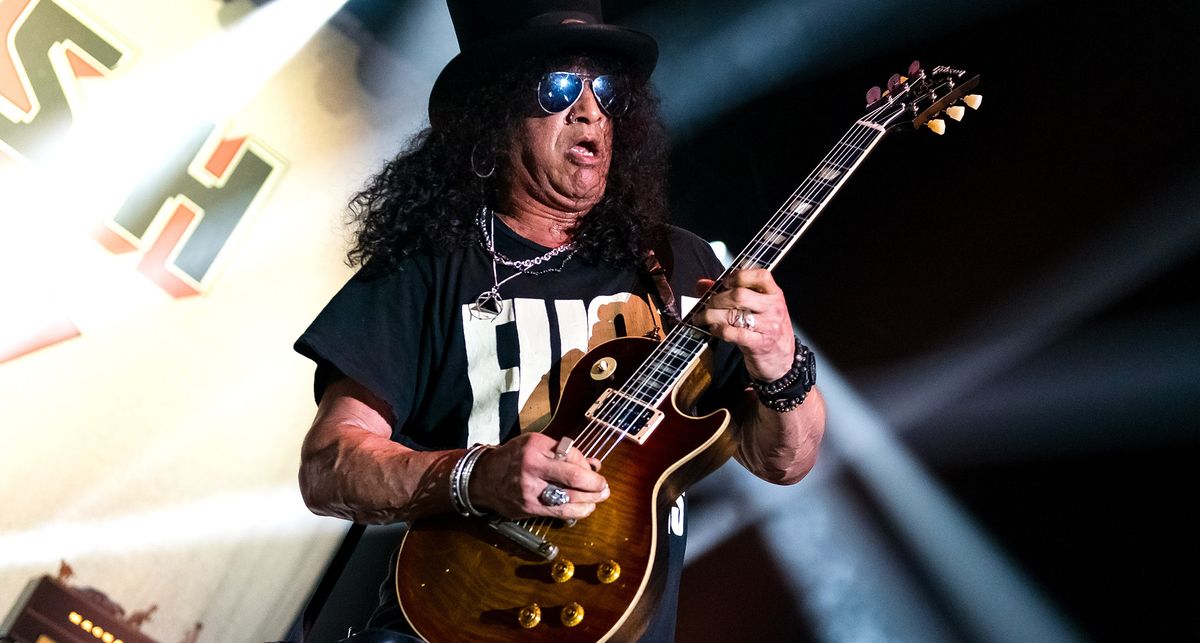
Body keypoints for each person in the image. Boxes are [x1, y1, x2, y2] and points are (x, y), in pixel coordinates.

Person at [295, 1, 826, 640]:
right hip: (453, 615)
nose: (589, 110)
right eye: (558, 88)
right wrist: (476, 475)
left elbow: (783, 461)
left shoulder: (675, 264)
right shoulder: (426, 268)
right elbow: (329, 465)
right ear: (493, 114)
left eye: (605, 89)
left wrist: (781, 363)